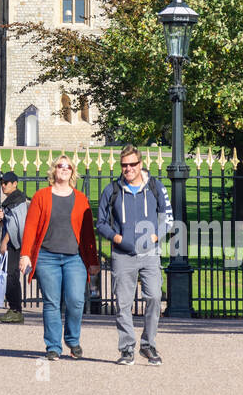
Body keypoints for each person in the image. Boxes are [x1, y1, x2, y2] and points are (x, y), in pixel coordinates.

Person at [96, 145, 173, 366]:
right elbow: (100, 223)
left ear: (140, 164)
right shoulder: (111, 190)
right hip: (123, 254)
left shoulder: (156, 187)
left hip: (150, 252)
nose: (128, 169)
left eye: (132, 164)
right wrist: (117, 238)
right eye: (124, 165)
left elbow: (167, 218)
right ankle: (127, 348)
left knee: (154, 298)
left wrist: (156, 237)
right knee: (123, 303)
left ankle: (148, 345)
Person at [19, 155, 99, 360]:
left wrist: (92, 261)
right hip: (48, 257)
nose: (64, 169)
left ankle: (72, 340)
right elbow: (30, 227)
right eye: (60, 166)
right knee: (52, 303)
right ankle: (53, 346)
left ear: (73, 172)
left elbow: (88, 232)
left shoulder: (80, 198)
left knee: (75, 300)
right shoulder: (41, 196)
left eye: (68, 166)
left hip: (74, 258)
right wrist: (25, 254)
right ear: (53, 170)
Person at [0, 171, 29, 323]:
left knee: (11, 276)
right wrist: (1, 220)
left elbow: (18, 224)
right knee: (10, 275)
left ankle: (16, 310)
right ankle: (14, 309)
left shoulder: (18, 200)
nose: (3, 186)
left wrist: (5, 240)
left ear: (14, 183)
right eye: (1, 183)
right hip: (12, 242)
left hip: (14, 244)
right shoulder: (11, 200)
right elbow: (9, 222)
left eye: (6, 183)